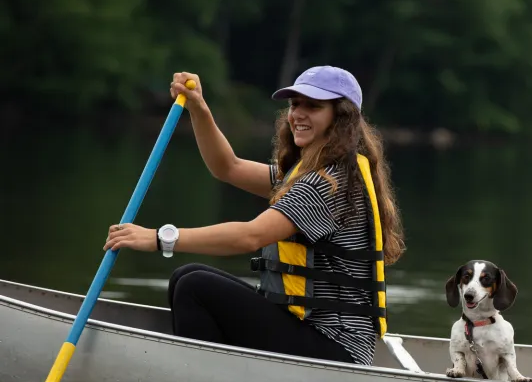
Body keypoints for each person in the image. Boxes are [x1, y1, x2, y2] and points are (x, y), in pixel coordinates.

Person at [104, 66, 405, 365]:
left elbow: (251, 235)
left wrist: (159, 238)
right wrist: (199, 108)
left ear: (341, 118)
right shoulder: (307, 175)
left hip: (335, 349)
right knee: (187, 276)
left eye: (313, 106)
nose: (298, 114)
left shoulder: (328, 184)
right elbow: (228, 167)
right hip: (312, 335)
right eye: (295, 104)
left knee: (195, 287)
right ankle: (211, 379)